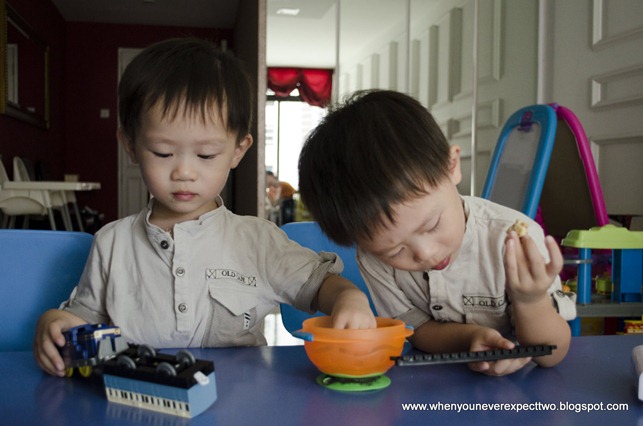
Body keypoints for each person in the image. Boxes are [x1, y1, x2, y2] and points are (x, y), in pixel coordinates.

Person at [34, 38, 375, 377]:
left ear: (238, 151)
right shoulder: (111, 244)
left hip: (237, 405)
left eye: (206, 155)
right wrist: (57, 323)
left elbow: (320, 285)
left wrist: (348, 298)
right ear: (131, 145)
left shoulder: (258, 240)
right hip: (141, 401)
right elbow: (83, 317)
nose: (184, 172)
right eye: (163, 153)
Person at [298, 90, 576, 376]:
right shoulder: (373, 258)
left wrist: (530, 300)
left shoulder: (514, 239)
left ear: (451, 166)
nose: (426, 253)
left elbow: (552, 354)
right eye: (396, 251)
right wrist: (468, 339)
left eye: (431, 225)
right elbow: (416, 328)